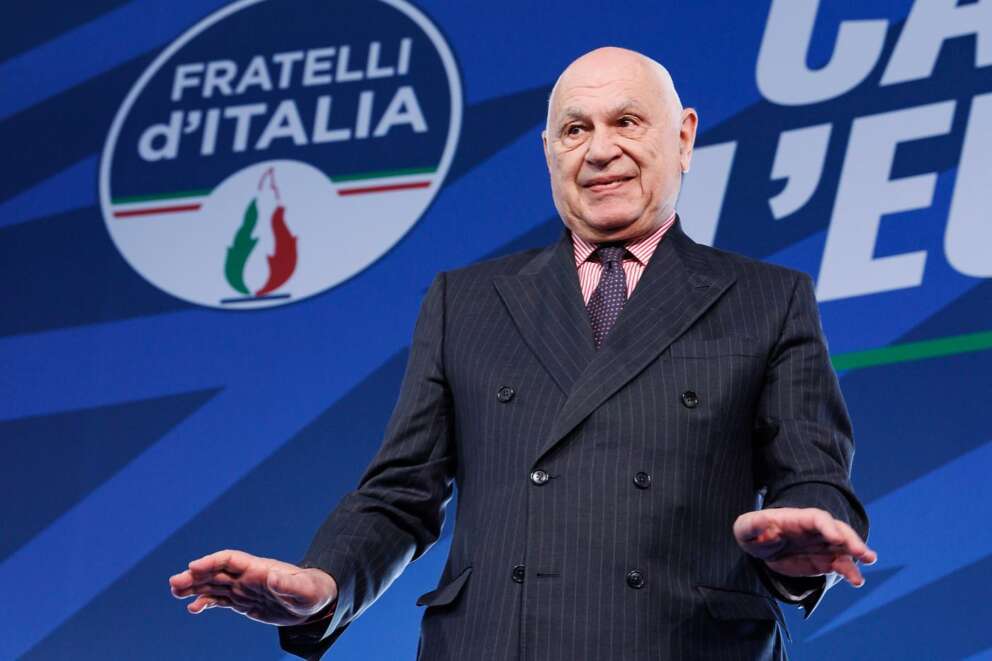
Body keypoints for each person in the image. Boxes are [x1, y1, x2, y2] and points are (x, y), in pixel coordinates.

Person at [170, 47, 876, 660]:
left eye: (627, 122)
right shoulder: (466, 301)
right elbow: (399, 496)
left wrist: (806, 542)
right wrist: (324, 583)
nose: (600, 150)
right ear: (549, 151)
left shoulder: (767, 298)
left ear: (684, 136)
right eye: (576, 129)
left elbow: (813, 476)